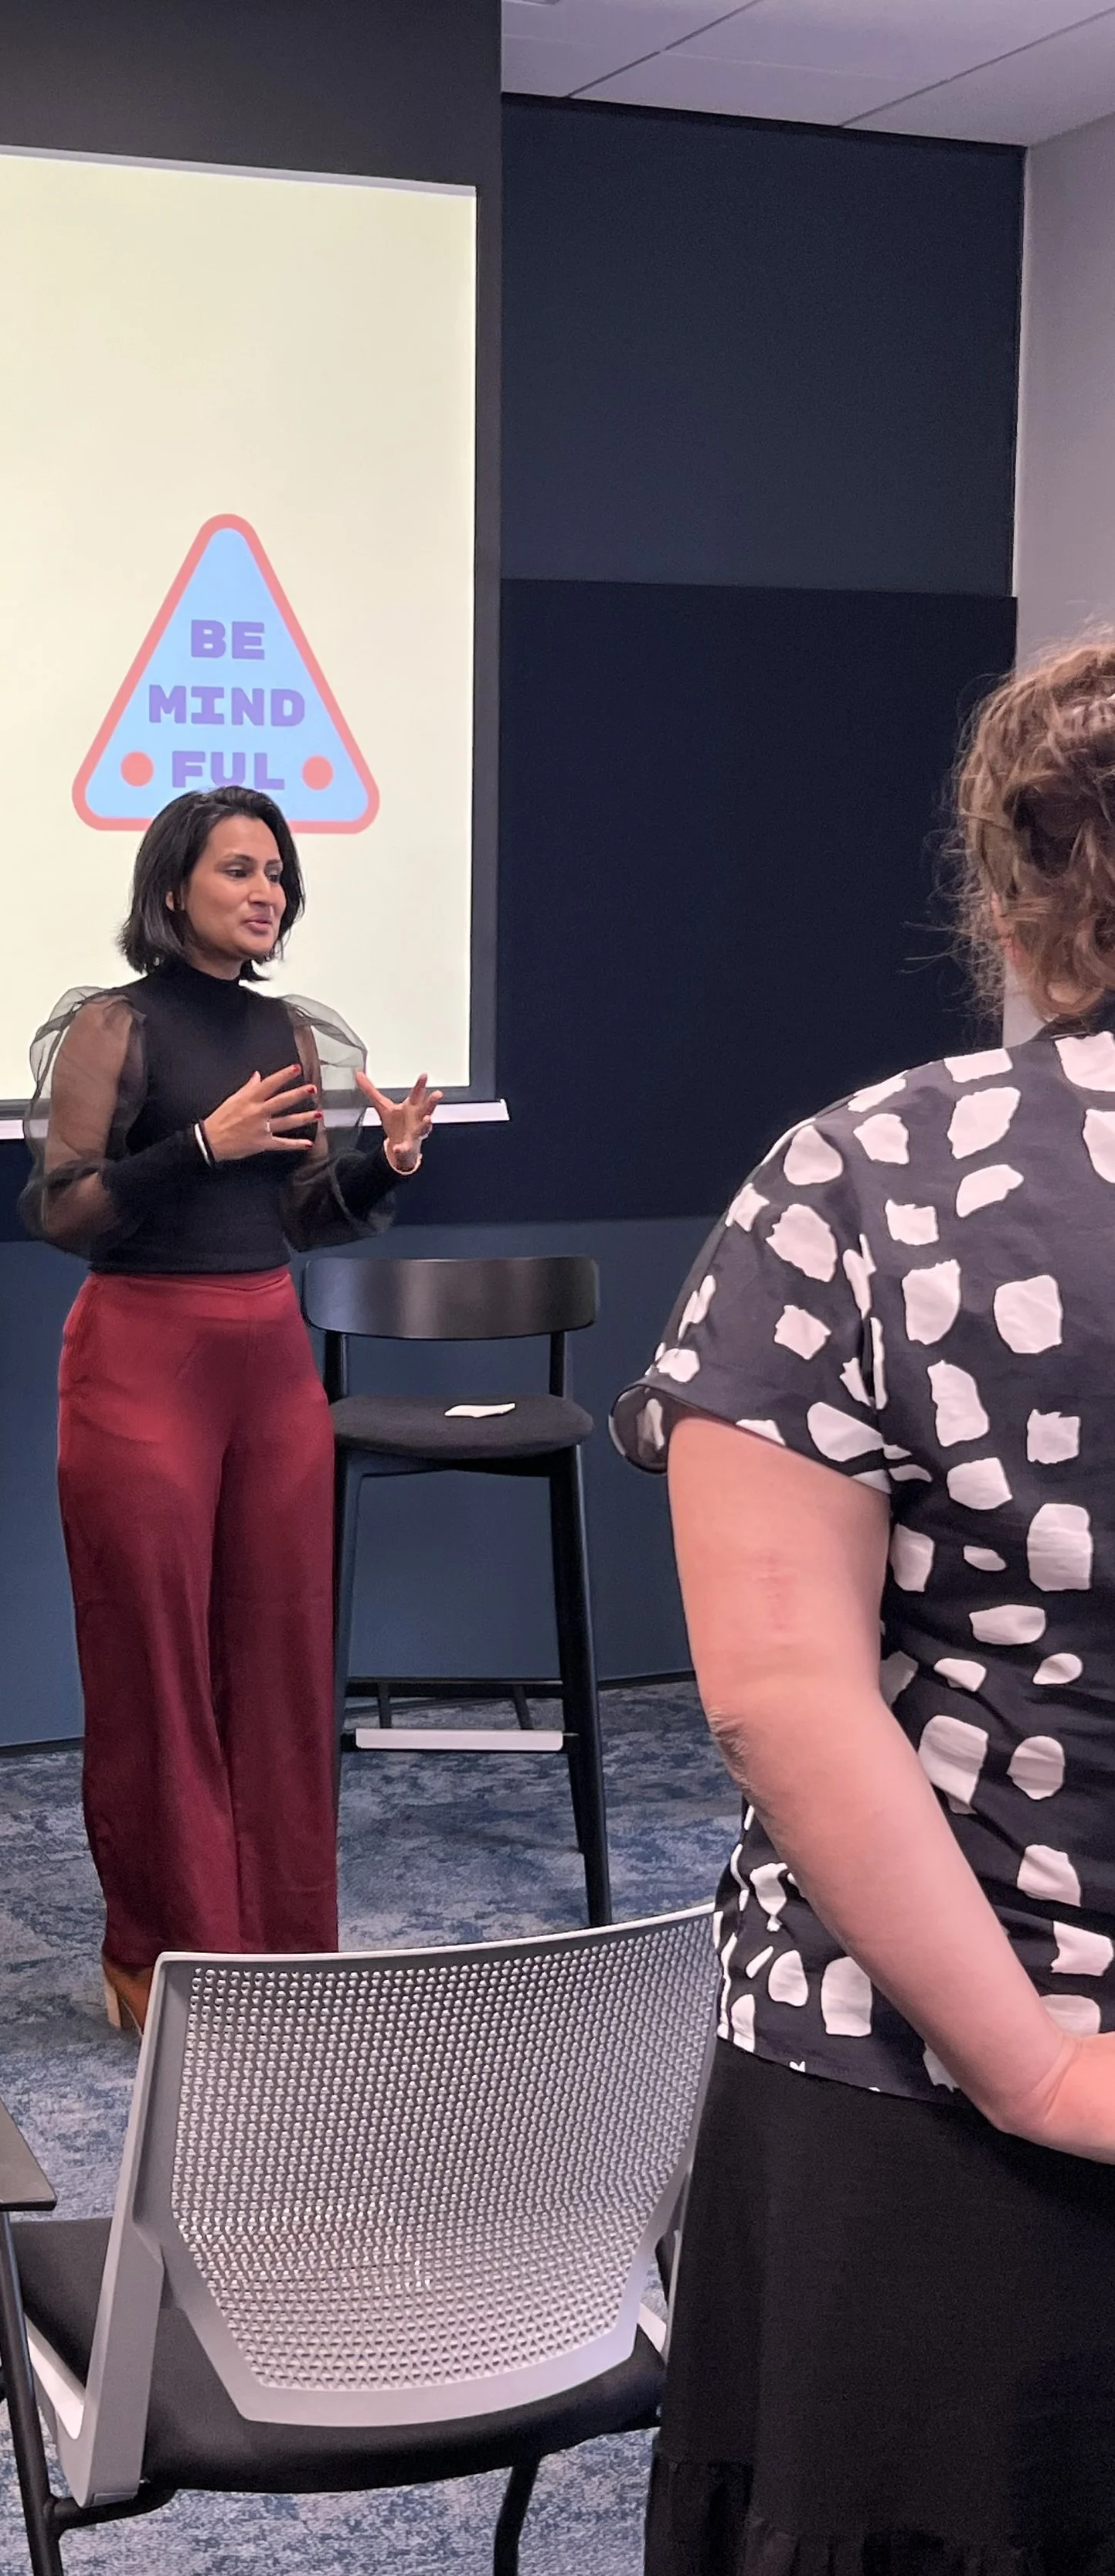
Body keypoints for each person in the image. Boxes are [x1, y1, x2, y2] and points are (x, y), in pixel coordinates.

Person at [614, 638, 1115, 2573]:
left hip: (914, 2096)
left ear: (1002, 891)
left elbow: (777, 1698)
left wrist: (1037, 2061)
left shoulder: (859, 1181)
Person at [20, 784, 438, 2032]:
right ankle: (161, 1955)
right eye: (239, 871)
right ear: (171, 891)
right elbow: (60, 1212)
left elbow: (299, 1212)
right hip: (142, 1360)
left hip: (268, 1360)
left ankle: (284, 1947)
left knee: (280, 1654)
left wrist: (384, 1160)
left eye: (278, 875)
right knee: (154, 1662)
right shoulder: (113, 1025)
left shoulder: (291, 1036)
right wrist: (198, 1146)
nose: (267, 893)